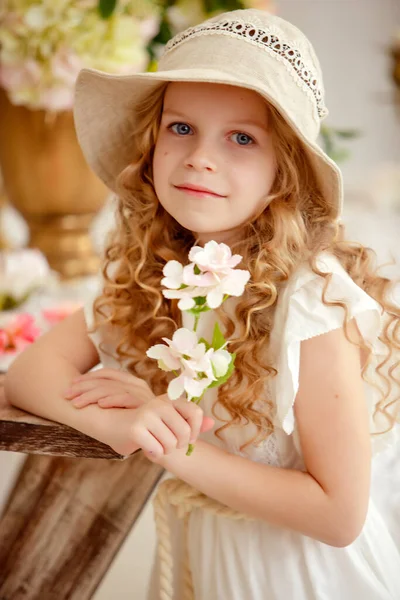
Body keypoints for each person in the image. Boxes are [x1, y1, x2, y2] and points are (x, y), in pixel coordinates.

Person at [5, 8, 400, 600]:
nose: (200, 158)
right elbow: (26, 375)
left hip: (300, 578)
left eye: (242, 138)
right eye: (181, 128)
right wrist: (125, 422)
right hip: (211, 565)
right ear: (151, 144)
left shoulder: (311, 300)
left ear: (281, 176)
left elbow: (339, 514)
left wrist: (173, 448)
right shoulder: (156, 274)